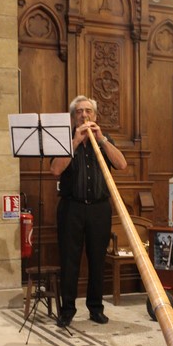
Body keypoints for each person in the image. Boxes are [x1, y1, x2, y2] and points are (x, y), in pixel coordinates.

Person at [50, 95, 127, 327]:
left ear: (95, 116)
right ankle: (67, 310)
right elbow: (55, 169)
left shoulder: (105, 140)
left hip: (99, 209)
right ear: (73, 117)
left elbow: (122, 164)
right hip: (71, 208)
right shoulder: (64, 138)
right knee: (69, 260)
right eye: (80, 112)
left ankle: (96, 308)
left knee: (97, 259)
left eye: (88, 112)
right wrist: (75, 141)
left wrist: (101, 139)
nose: (84, 115)